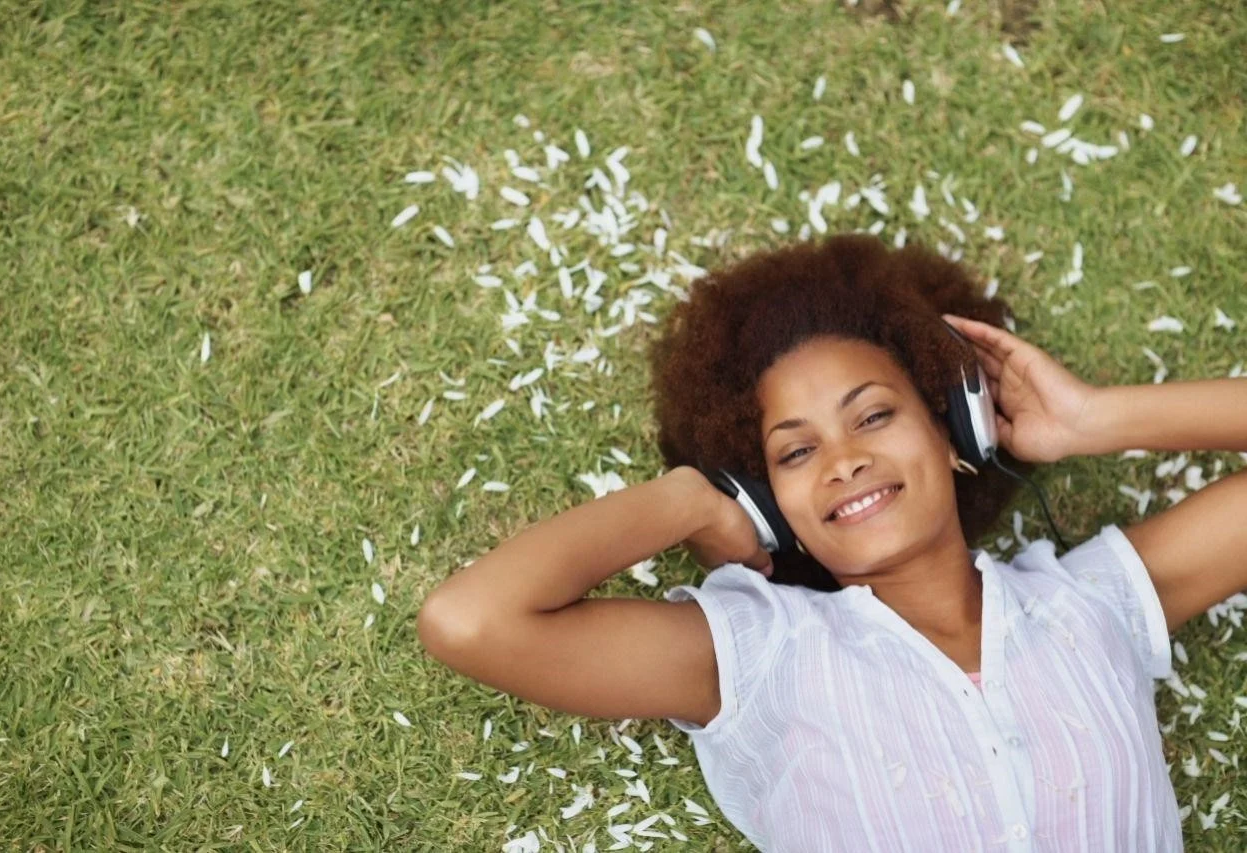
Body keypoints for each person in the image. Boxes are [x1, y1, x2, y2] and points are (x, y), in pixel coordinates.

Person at [416, 234, 1247, 851]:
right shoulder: (762, 653)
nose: (845, 460)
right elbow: (472, 620)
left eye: (875, 414)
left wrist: (1093, 421)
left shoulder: (1092, 605)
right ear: (769, 498)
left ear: (954, 425)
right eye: (795, 451)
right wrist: (692, 500)